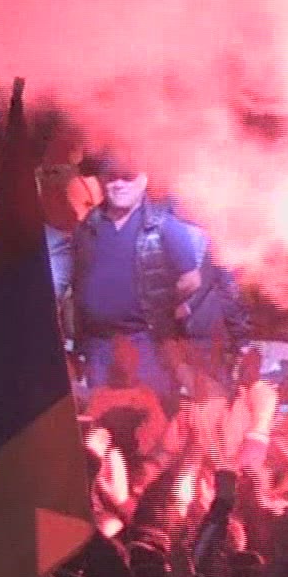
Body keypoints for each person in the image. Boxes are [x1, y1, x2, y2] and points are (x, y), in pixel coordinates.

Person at [71, 160, 202, 402]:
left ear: (144, 179)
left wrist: (160, 307)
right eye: (112, 177)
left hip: (146, 345)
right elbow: (77, 283)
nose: (119, 184)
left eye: (128, 176)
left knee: (149, 416)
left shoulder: (165, 226)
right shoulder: (87, 226)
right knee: (102, 417)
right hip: (98, 346)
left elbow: (191, 280)